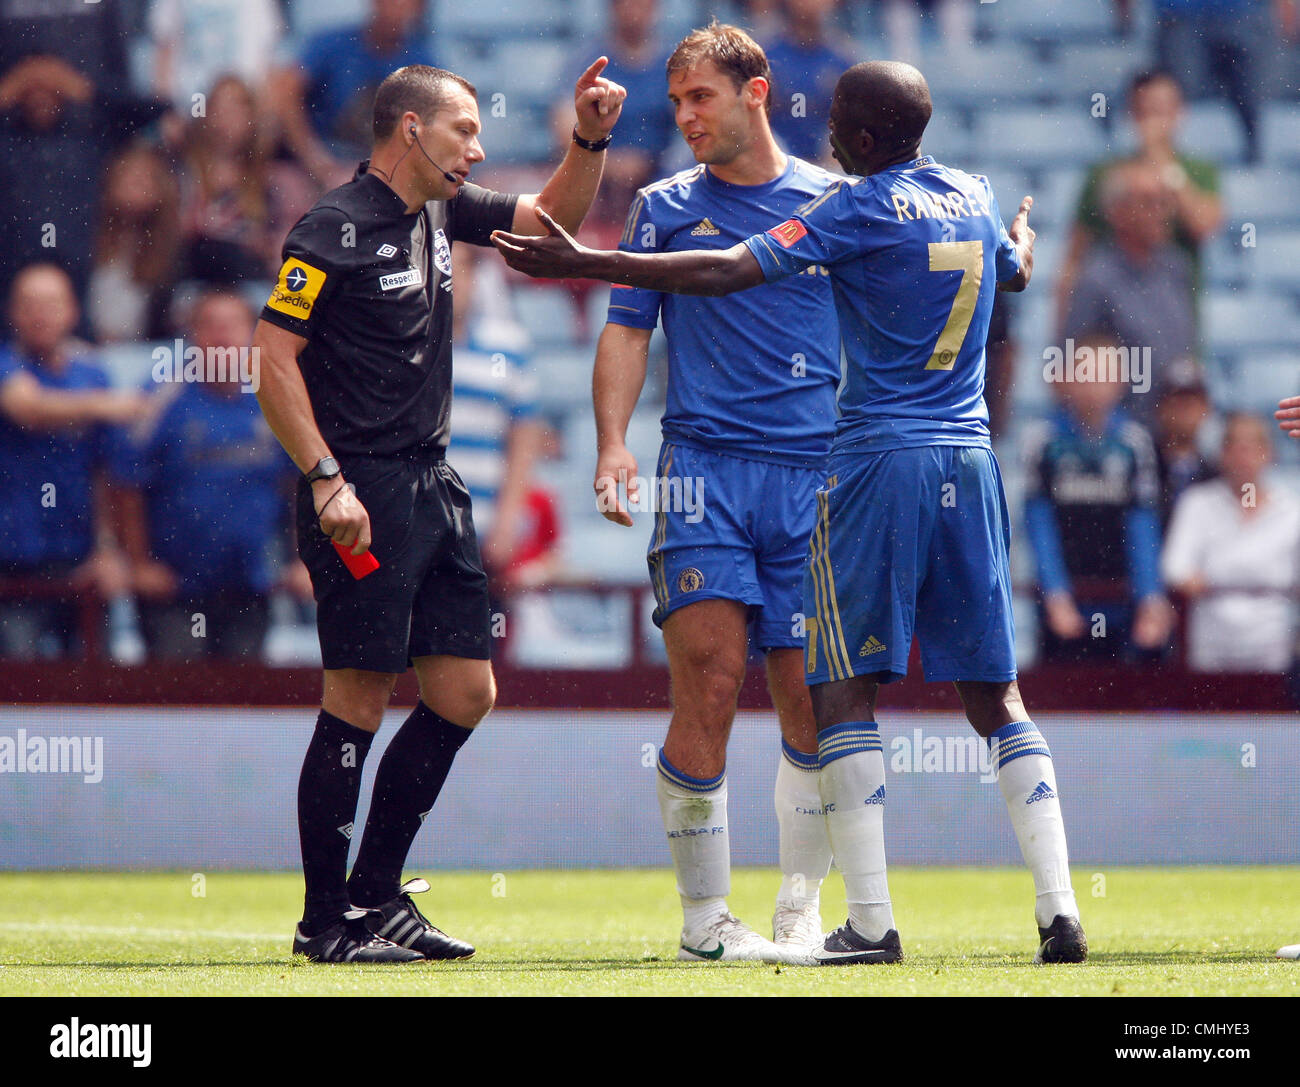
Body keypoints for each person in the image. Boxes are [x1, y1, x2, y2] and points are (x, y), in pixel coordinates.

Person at [492, 60, 1088, 966]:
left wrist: (587, 258)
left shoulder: (844, 203)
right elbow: (1011, 269)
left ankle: (852, 919)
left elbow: (732, 266)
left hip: (850, 465)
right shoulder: (969, 188)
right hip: (925, 461)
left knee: (830, 692)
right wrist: (1027, 240)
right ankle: (1054, 909)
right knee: (970, 693)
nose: (830, 131)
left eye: (843, 119)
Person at [253, 61, 625, 964]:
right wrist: (324, 477)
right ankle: (321, 921)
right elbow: (272, 357)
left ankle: (378, 896)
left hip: (434, 482)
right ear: (410, 130)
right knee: (357, 697)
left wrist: (588, 138)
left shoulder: (443, 211)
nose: (478, 145)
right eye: (463, 127)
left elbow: (554, 224)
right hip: (360, 489)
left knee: (465, 691)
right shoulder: (331, 228)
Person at [592, 22, 839, 964]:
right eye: (678, 99)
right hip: (702, 471)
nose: (686, 116)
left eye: (702, 97)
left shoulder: (833, 205)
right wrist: (614, 443)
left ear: (757, 92)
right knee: (708, 675)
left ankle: (800, 905)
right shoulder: (659, 208)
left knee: (811, 695)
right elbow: (625, 332)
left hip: (814, 478)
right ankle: (704, 921)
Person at [113, 291, 296, 662]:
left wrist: (301, 561)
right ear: (192, 335)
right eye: (210, 325)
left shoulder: (276, 397)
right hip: (172, 589)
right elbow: (125, 484)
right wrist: (139, 564)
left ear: (253, 333)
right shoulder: (161, 398)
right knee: (179, 699)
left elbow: (296, 487)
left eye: (232, 325)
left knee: (242, 700)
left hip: (250, 586)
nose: (222, 335)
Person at [0, 264, 143, 658]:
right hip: (12, 566)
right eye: (29, 304)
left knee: (94, 693)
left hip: (81, 564)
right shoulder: (6, 365)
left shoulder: (92, 373)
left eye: (50, 303)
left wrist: (108, 549)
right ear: (12, 312)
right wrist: (104, 405)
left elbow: (107, 472)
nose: (40, 314)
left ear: (72, 311)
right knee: (17, 691)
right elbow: (26, 408)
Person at [1021, 336, 1173, 665]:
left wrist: (1150, 596)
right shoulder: (1043, 441)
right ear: (1066, 380)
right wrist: (1055, 594)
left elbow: (1142, 523)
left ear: (1120, 381)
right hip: (1064, 601)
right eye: (1085, 373)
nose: (1094, 384)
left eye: (1104, 374)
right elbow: (1039, 523)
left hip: (1121, 596)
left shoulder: (1134, 442)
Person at [1055, 69, 1222, 330]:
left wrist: (1167, 169)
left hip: (1175, 320)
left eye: (1162, 110)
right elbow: (1075, 256)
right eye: (1145, 111)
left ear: (1180, 112)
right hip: (1110, 325)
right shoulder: (1104, 173)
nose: (1154, 121)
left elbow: (1203, 224)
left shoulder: (1198, 171)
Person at [1163, 412, 1300, 672]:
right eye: (1235, 447)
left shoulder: (1292, 510)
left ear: (1269, 453)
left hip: (1272, 644)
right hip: (1210, 642)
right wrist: (1195, 581)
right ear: (1222, 454)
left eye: (1252, 448)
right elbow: (1175, 567)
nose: (1243, 457)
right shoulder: (1196, 503)